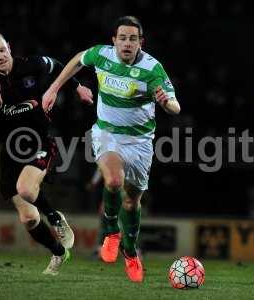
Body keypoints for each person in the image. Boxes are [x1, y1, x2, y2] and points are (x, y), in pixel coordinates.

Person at [43, 16, 180, 282]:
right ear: (114, 40)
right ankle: (110, 233)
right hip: (107, 133)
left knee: (132, 202)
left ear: (141, 42)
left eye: (133, 39)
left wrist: (166, 103)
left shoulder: (152, 69)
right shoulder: (102, 55)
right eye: (122, 38)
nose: (127, 43)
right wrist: (54, 87)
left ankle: (130, 251)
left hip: (140, 142)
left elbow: (176, 106)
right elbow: (77, 60)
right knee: (114, 181)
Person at [0, 32, 93, 275]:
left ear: (9, 47)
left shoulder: (31, 65)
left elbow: (60, 66)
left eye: (2, 50)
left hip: (39, 139)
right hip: (10, 148)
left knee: (27, 189)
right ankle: (59, 252)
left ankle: (55, 217)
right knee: (28, 218)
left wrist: (78, 87)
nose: (0, 56)